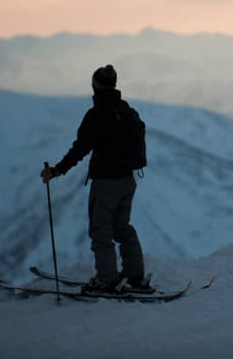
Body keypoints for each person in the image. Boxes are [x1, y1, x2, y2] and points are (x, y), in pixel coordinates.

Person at [41, 64, 151, 294]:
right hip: (128, 181)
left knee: (100, 231)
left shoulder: (97, 115)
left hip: (106, 182)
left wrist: (57, 170)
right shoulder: (127, 111)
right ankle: (135, 276)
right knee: (122, 228)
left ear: (95, 86)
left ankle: (107, 280)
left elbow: (80, 148)